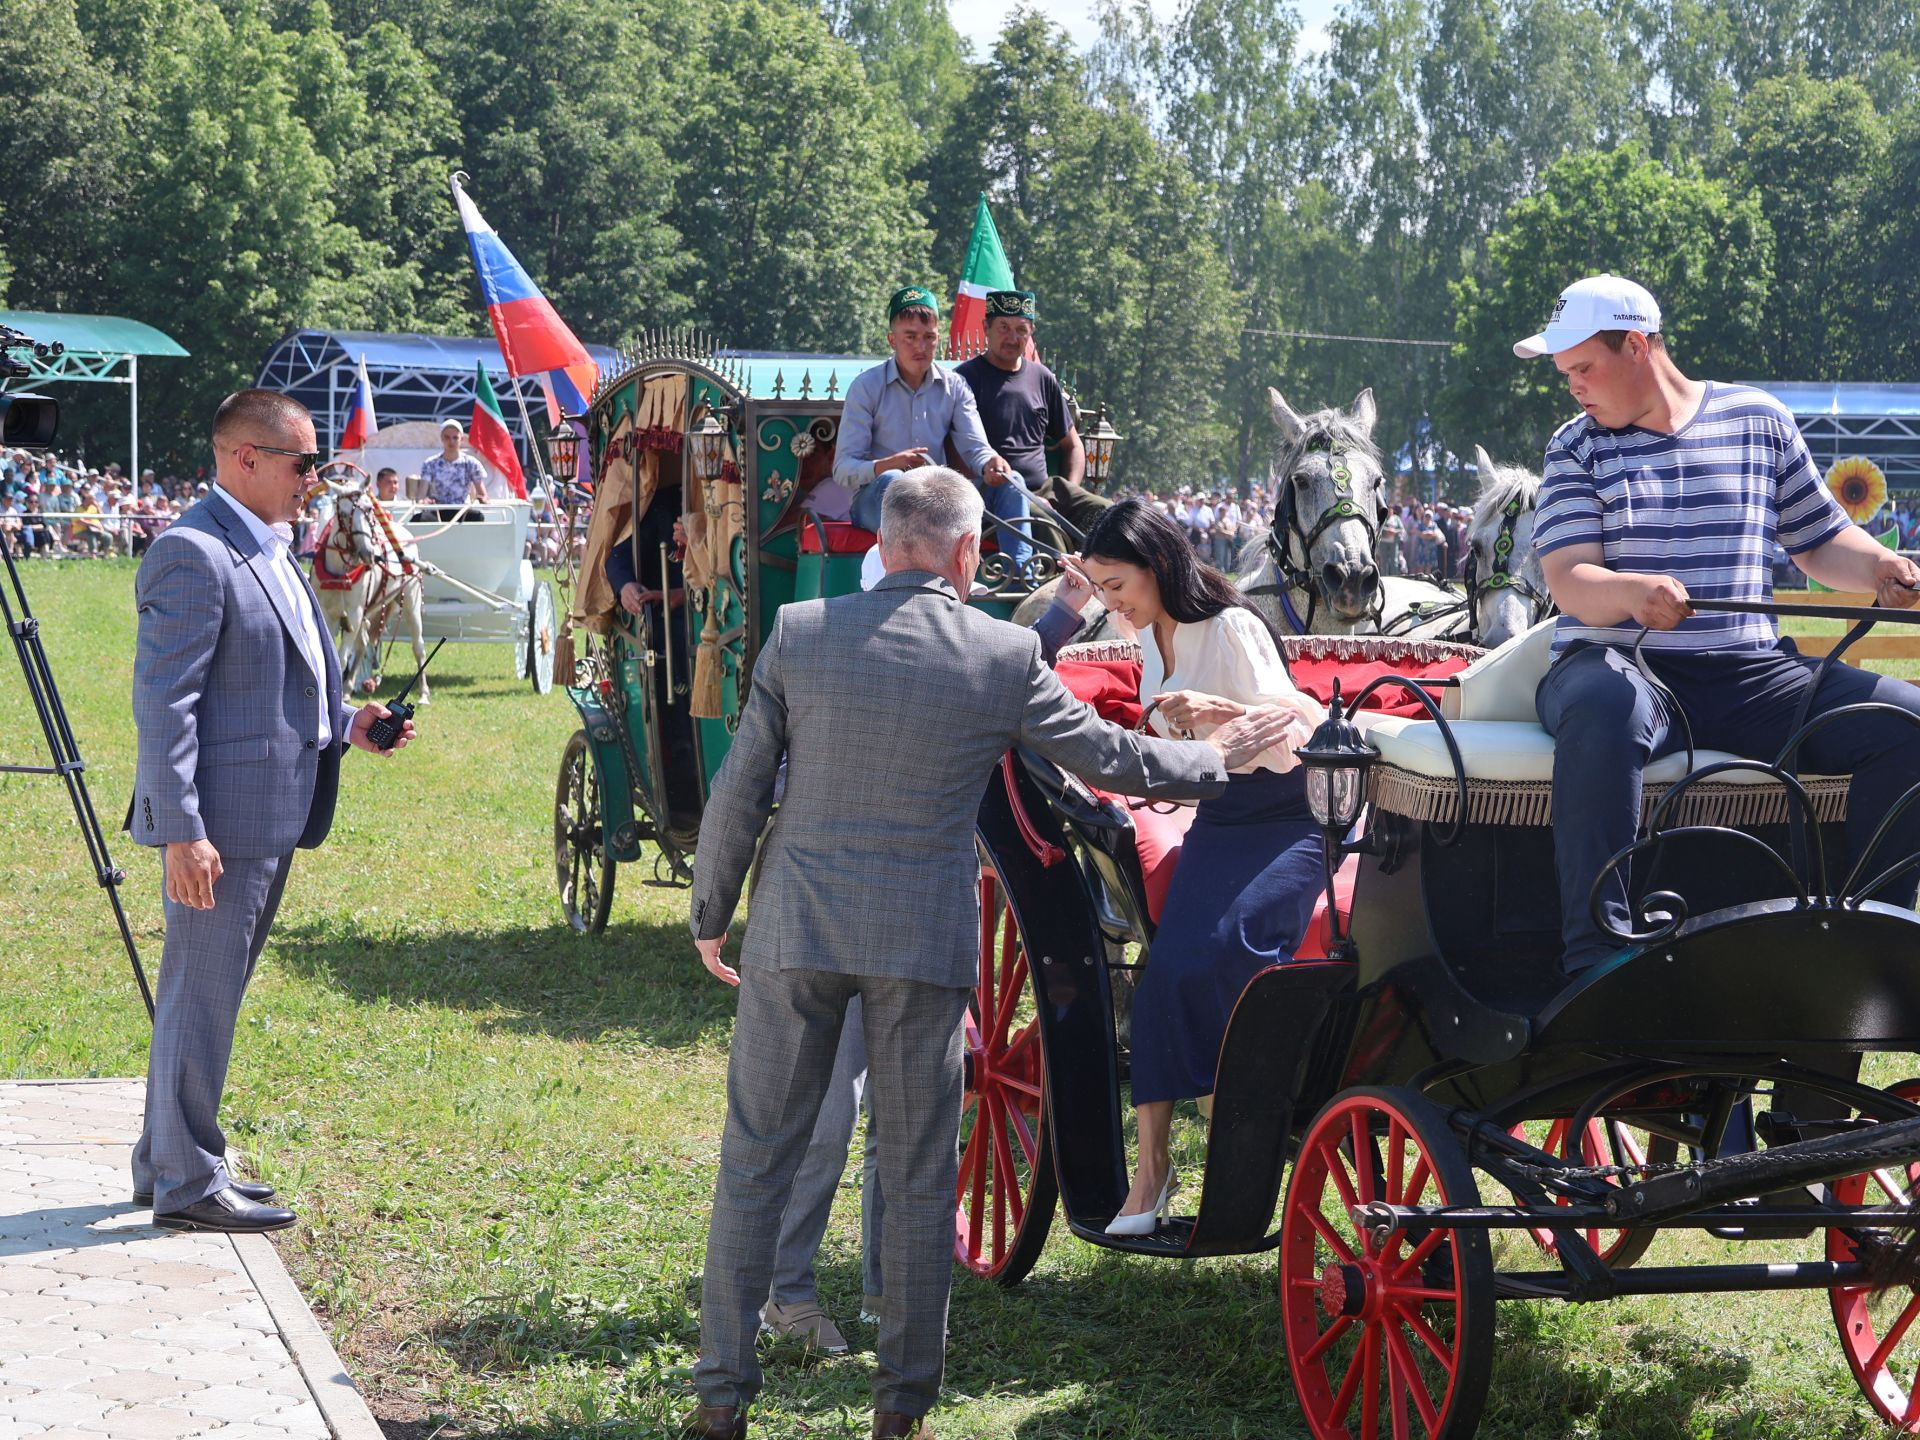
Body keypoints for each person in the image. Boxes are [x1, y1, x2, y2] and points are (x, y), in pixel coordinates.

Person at [683, 469, 1298, 1440]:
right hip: (921, 946)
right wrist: (1222, 763)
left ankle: (721, 1401)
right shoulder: (1004, 654)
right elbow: (1114, 759)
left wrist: (710, 910)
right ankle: (902, 1415)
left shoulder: (800, 633)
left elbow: (740, 786)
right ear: (968, 555)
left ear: (885, 547)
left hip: (795, 930)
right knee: (923, 1179)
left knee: (754, 1161)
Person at [1518, 274, 1920, 972]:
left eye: (1582, 368)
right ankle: (1598, 960)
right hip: (1619, 669)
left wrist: (1882, 565)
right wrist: (1635, 594)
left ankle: (1866, 947)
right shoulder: (1574, 446)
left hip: (1751, 676)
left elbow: (1820, 542)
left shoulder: (1758, 420)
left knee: (1909, 728)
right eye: (1565, 374)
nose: (1573, 387)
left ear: (1637, 346)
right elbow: (1570, 580)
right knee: (1607, 706)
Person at [129, 388, 415, 1232]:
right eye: (303, 465)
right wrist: (182, 828)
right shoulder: (194, 552)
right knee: (200, 996)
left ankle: (169, 1162)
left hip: (269, 813)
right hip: (218, 826)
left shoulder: (270, 545)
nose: (315, 482)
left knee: (207, 993)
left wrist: (348, 721)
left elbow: (279, 672)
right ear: (243, 459)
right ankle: (187, 1184)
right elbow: (165, 705)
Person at [1043, 498, 1327, 1231]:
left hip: (1291, 815)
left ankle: (1240, 1115)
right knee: (1167, 968)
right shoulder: (1145, 640)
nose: (1112, 604)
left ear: (1158, 565)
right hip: (1222, 816)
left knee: (1225, 950)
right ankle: (1153, 1172)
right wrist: (1176, 721)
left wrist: (1215, 711)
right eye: (1101, 589)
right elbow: (1165, 736)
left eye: (1117, 586)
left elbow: (1293, 729)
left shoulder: (1230, 626)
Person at [834, 286, 1030, 571]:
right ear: (892, 340)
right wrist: (888, 464)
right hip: (876, 499)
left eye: (928, 338)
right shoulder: (866, 387)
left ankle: (1024, 580)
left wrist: (991, 462)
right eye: (910, 337)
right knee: (894, 482)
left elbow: (976, 446)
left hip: (937, 501)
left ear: (939, 339)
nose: (920, 347)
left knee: (1012, 482)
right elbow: (843, 469)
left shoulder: (955, 387)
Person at [952, 289, 1091, 525]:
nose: (1012, 338)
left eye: (1021, 330)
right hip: (992, 494)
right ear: (986, 328)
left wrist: (1069, 490)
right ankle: (1054, 563)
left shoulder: (1043, 378)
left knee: (1108, 516)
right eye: (1003, 327)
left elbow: (1073, 444)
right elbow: (952, 446)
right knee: (1046, 523)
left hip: (1046, 490)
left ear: (1031, 333)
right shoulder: (964, 380)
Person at [420, 420, 488, 508]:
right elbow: (421, 496)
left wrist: (483, 499)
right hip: (437, 511)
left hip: (463, 511)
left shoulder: (472, 463)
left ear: (462, 439)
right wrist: (424, 501)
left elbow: (483, 495)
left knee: (478, 517)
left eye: (455, 438)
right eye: (447, 437)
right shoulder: (429, 463)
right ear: (442, 438)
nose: (451, 441)